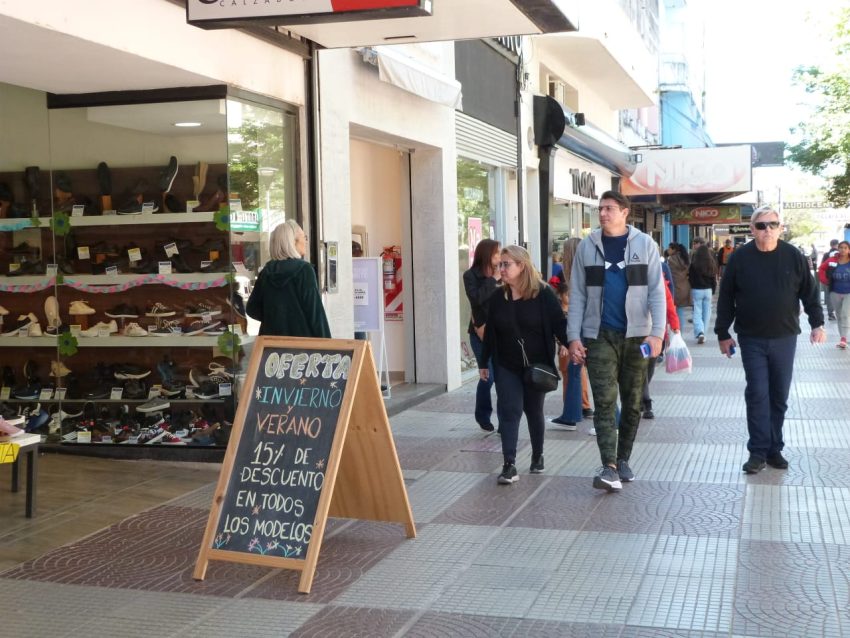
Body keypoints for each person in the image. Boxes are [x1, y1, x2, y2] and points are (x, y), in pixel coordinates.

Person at [714, 206, 825, 474]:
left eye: (773, 224)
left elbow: (810, 292)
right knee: (757, 393)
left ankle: (774, 448)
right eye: (761, 225)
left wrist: (817, 323)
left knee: (779, 395)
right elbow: (726, 297)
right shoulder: (740, 258)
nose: (767, 230)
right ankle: (758, 451)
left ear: (780, 228)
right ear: (752, 229)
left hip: (785, 337)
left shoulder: (793, 256)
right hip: (751, 338)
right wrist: (722, 333)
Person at [568, 190, 666, 492]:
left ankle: (623, 459)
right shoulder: (587, 246)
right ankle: (608, 466)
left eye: (609, 208)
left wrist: (657, 333)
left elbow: (657, 291)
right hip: (599, 335)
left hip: (637, 336)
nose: (603, 213)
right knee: (605, 402)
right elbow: (577, 295)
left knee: (633, 402)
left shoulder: (645, 244)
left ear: (625, 212)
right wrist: (573, 337)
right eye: (600, 208)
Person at [477, 245, 568, 485]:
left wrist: (572, 345)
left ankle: (538, 454)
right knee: (510, 410)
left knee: (533, 410)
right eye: (500, 264)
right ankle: (509, 464)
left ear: (522, 266)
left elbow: (559, 323)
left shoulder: (543, 294)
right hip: (506, 364)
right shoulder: (498, 297)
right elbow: (490, 332)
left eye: (506, 264)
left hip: (536, 365)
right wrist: (483, 362)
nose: (501, 269)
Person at [246, 220, 331, 338]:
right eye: (304, 237)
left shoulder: (266, 272)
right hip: (300, 342)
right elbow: (315, 314)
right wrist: (327, 343)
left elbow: (252, 309)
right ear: (293, 242)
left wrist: (276, 319)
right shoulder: (304, 270)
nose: (306, 241)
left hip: (271, 342)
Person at [550, 238, 594, 429]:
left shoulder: (576, 274)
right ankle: (571, 415)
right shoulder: (584, 271)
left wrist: (568, 340)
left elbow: (576, 307)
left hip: (585, 330)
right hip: (587, 329)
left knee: (590, 373)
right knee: (577, 371)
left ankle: (612, 420)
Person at [463, 239, 501, 432]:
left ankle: (505, 423)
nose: (500, 257)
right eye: (496, 253)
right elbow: (476, 300)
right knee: (488, 377)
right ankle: (483, 415)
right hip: (479, 335)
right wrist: (493, 279)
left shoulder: (504, 273)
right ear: (487, 255)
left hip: (501, 334)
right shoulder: (470, 276)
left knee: (503, 379)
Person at [641, 275, 680, 419]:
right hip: (639, 333)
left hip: (657, 334)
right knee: (641, 368)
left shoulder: (657, 278)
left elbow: (668, 302)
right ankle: (646, 401)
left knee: (649, 368)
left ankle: (641, 396)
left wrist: (675, 325)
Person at [818, 240, 850, 349]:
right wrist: (824, 280)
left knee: (845, 314)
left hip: (848, 293)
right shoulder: (832, 260)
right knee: (839, 315)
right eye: (841, 247)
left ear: (849, 250)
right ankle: (843, 338)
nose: (843, 250)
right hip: (835, 292)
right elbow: (821, 268)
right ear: (838, 249)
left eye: (845, 248)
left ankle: (844, 339)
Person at [688, 243, 718, 344]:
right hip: (708, 290)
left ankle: (700, 332)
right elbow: (714, 279)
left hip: (697, 290)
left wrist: (692, 287)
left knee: (697, 312)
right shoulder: (711, 264)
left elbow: (690, 278)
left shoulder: (693, 264)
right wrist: (713, 290)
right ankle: (703, 334)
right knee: (707, 314)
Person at [667, 242, 691, 329]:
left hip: (675, 287)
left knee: (675, 311)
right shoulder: (685, 259)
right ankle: (681, 331)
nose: (668, 250)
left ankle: (678, 331)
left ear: (674, 249)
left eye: (669, 248)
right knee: (680, 310)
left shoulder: (671, 260)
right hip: (684, 287)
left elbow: (668, 274)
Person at [821, 239, 840, 320]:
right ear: (837, 245)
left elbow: (822, 267)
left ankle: (831, 314)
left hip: (828, 279)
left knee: (829, 296)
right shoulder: (841, 254)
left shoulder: (826, 255)